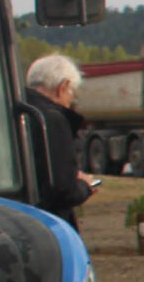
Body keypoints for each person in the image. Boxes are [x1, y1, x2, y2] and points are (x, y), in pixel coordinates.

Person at [19, 53, 96, 227]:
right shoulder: (52, 119)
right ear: (63, 86)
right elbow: (62, 189)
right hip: (47, 223)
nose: (70, 101)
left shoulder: (13, 111)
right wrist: (84, 185)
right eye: (72, 93)